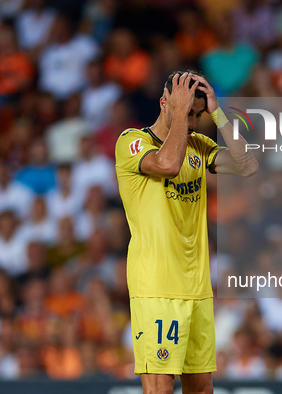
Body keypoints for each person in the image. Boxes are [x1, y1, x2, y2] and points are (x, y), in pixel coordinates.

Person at [115, 70, 258, 394]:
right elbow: (168, 164)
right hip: (156, 287)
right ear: (164, 103)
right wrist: (180, 114)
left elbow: (248, 165)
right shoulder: (132, 142)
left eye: (196, 115)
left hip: (196, 288)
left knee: (202, 390)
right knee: (161, 389)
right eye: (187, 113)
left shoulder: (198, 145)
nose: (193, 123)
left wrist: (217, 112)